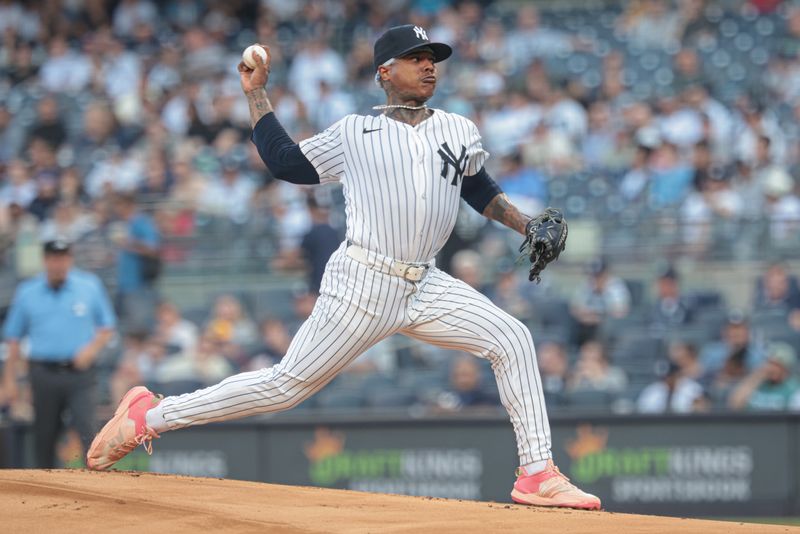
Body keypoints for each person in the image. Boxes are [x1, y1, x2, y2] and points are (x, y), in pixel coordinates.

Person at [87, 26, 600, 510]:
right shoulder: (357, 131)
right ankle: (147, 417)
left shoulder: (458, 127)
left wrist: (525, 223)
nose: (429, 67)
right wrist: (255, 94)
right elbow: (285, 162)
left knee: (512, 338)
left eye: (433, 60)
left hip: (427, 281)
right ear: (384, 71)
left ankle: (537, 473)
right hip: (364, 280)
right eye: (416, 60)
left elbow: (476, 187)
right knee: (285, 387)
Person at [1, 240, 115, 467]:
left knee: (89, 431)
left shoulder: (88, 286)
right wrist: (10, 380)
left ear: (70, 260)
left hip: (81, 375)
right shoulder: (28, 292)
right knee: (44, 435)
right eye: (53, 258)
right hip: (43, 373)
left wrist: (91, 349)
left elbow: (107, 327)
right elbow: (13, 338)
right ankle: (46, 494)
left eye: (63, 258)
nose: (58, 263)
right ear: (45, 261)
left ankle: (97, 487)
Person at [111, 192, 161, 336]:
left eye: (119, 205)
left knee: (139, 329)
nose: (117, 209)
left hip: (138, 285)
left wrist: (129, 243)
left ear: (128, 205)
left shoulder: (141, 222)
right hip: (124, 285)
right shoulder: (126, 224)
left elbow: (153, 249)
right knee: (125, 328)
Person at [728, 343, 800, 411]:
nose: (770, 368)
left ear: (786, 368)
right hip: (751, 423)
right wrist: (756, 376)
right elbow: (735, 405)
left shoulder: (794, 389)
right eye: (769, 363)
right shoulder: (758, 383)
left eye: (776, 365)